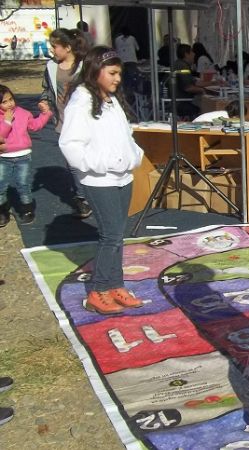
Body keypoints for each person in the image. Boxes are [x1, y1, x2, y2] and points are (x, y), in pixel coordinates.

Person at [59, 47, 145, 315]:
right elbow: (70, 144)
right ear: (96, 71)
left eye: (118, 73)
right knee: (110, 235)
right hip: (99, 179)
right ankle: (98, 291)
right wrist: (99, 164)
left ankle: (115, 284)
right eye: (112, 73)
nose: (117, 78)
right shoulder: (81, 101)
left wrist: (134, 156)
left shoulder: (110, 99)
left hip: (122, 177)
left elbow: (125, 135)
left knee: (118, 235)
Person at [41, 28, 92, 219]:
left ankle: (93, 192)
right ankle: (82, 198)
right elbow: (46, 88)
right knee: (72, 162)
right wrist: (44, 101)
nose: (53, 50)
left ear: (68, 47)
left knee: (88, 158)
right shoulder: (50, 67)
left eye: (55, 46)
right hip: (62, 120)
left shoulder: (83, 65)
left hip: (84, 119)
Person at [0, 85, 52, 226]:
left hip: (23, 156)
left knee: (23, 184)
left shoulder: (23, 113)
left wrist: (45, 114)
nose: (10, 104)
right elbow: (1, 137)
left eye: (11, 99)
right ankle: (2, 212)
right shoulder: (3, 118)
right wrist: (7, 121)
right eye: (4, 102)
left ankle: (27, 210)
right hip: (4, 157)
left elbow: (35, 126)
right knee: (1, 185)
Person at [172, 44, 217, 119]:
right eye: (192, 52)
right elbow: (188, 88)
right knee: (206, 107)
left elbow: (195, 82)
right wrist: (203, 90)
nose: (194, 54)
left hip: (181, 99)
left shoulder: (180, 64)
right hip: (182, 102)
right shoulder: (182, 67)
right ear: (186, 54)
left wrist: (213, 83)